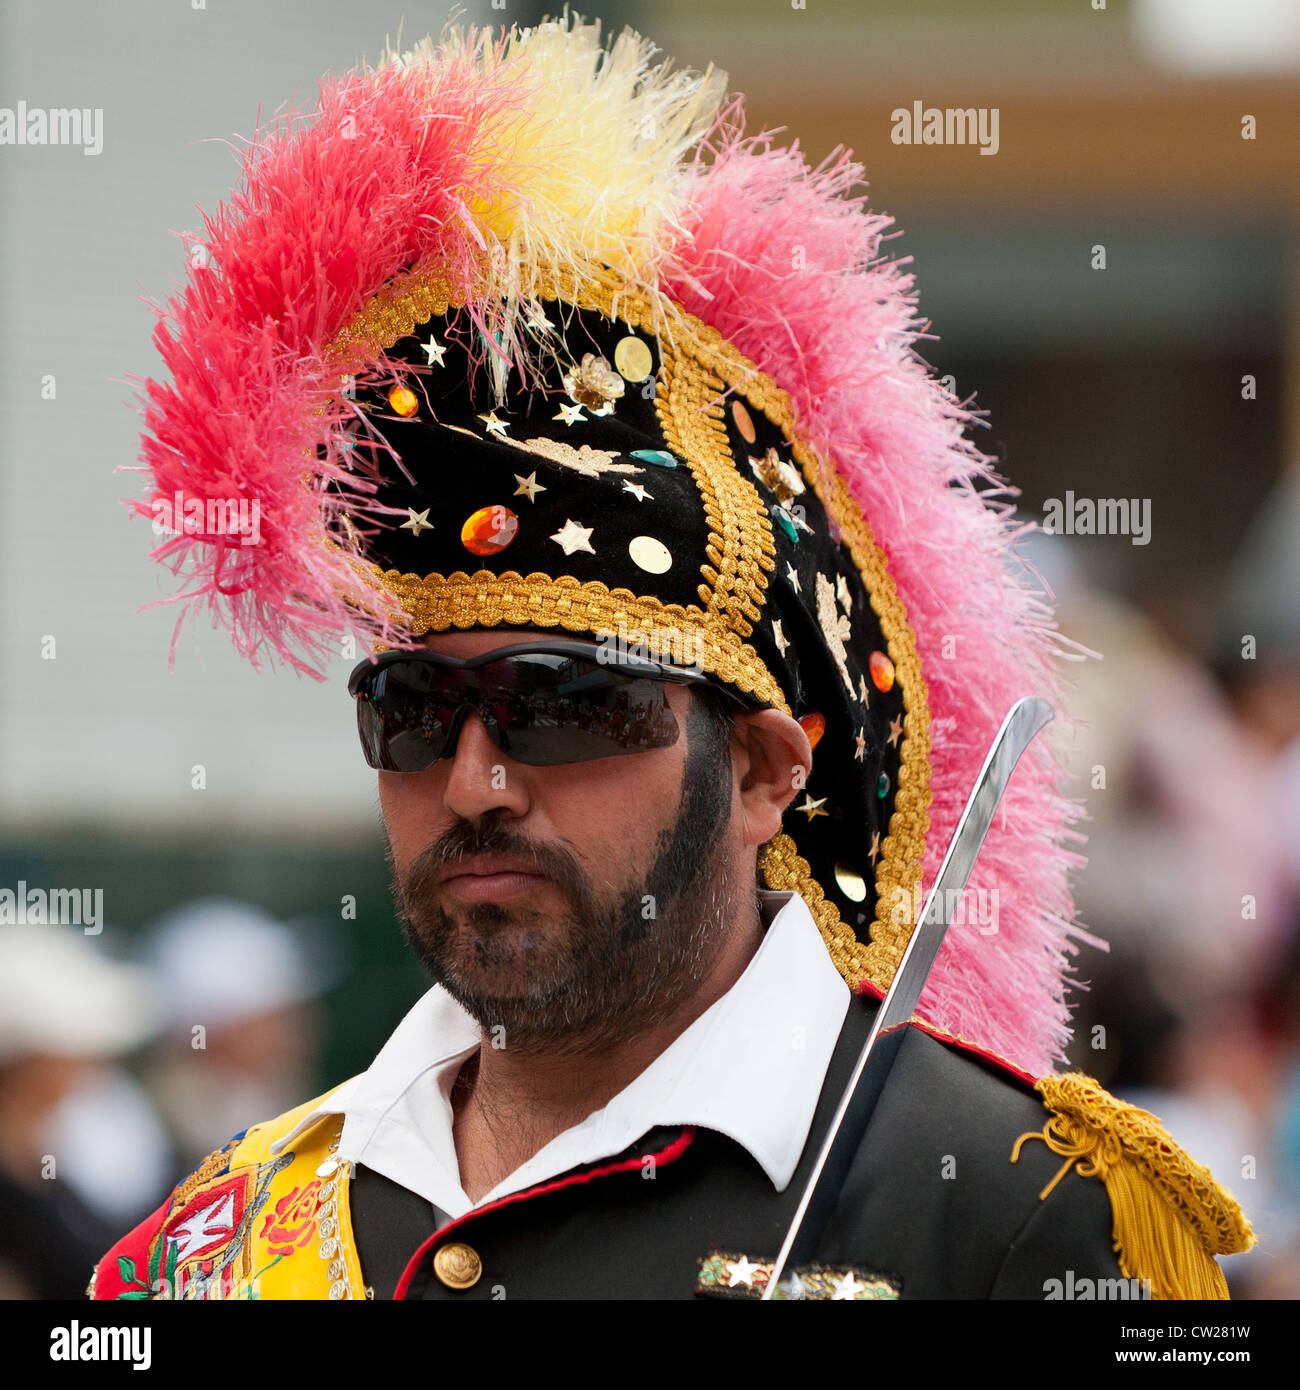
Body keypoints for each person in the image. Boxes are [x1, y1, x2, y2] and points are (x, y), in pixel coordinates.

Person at [90, 13, 1251, 1301]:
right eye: (417, 710)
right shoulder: (216, 1242)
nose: (476, 783)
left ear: (762, 772)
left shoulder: (1010, 1207)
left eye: (566, 708)